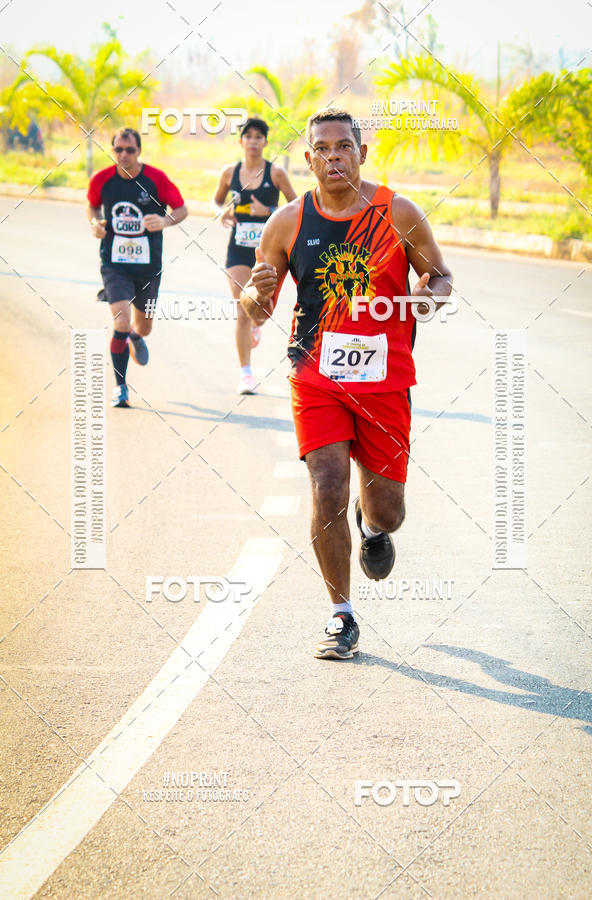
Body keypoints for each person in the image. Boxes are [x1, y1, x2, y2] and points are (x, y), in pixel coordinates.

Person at [240, 108, 453, 659]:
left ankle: (372, 527)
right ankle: (341, 615)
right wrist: (254, 291)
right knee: (327, 483)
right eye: (322, 148)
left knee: (388, 511)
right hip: (315, 376)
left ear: (362, 153)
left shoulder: (397, 212)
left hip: (385, 381)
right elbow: (258, 310)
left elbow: (440, 276)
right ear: (308, 159)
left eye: (343, 146)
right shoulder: (287, 222)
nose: (333, 156)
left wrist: (427, 296)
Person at [87, 127, 188, 408]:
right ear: (112, 151)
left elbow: (181, 209)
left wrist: (164, 221)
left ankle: (135, 335)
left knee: (144, 327)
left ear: (139, 151)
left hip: (148, 267)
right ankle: (121, 388)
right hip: (114, 264)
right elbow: (92, 206)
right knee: (121, 321)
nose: (123, 155)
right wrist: (94, 223)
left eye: (129, 150)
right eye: (118, 149)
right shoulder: (101, 180)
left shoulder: (156, 179)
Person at [213, 116, 296, 394]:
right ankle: (246, 374)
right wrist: (221, 212)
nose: (253, 142)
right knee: (242, 309)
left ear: (265, 142)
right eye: (248, 136)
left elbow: (296, 207)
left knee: (259, 313)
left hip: (268, 252)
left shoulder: (276, 174)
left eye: (258, 137)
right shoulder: (229, 172)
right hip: (237, 249)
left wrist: (268, 212)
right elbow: (216, 201)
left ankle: (257, 325)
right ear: (241, 141)